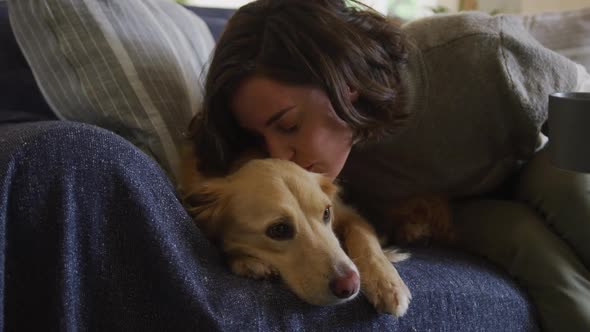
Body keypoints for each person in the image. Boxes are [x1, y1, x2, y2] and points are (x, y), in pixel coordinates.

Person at [189, 0, 590, 331]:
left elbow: (577, 101)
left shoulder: (481, 53)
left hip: (542, 157)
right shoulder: (293, 174)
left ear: (345, 82)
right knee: (535, 253)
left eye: (290, 125)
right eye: (261, 139)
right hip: (452, 206)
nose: (277, 153)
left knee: (572, 195)